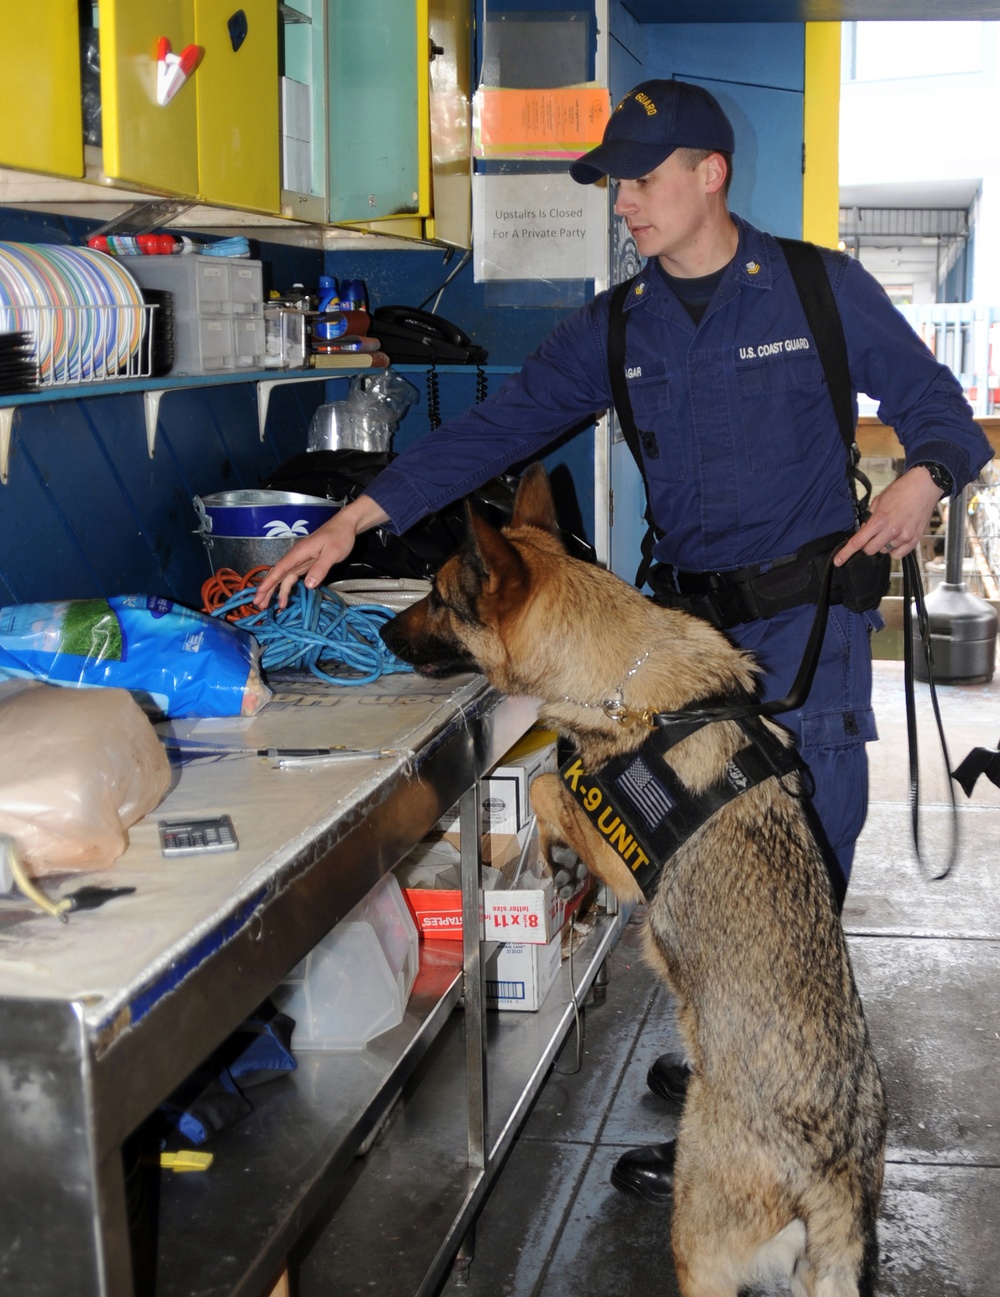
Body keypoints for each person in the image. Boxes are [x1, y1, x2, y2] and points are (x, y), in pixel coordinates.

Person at [255, 79, 992, 1204]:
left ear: (710, 174)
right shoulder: (618, 326)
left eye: (642, 181)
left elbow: (934, 403)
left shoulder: (816, 289)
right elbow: (504, 426)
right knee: (696, 881)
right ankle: (728, 1071)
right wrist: (357, 517)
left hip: (808, 638)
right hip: (680, 653)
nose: (624, 206)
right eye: (614, 186)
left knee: (805, 885)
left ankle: (768, 1143)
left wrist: (926, 480)